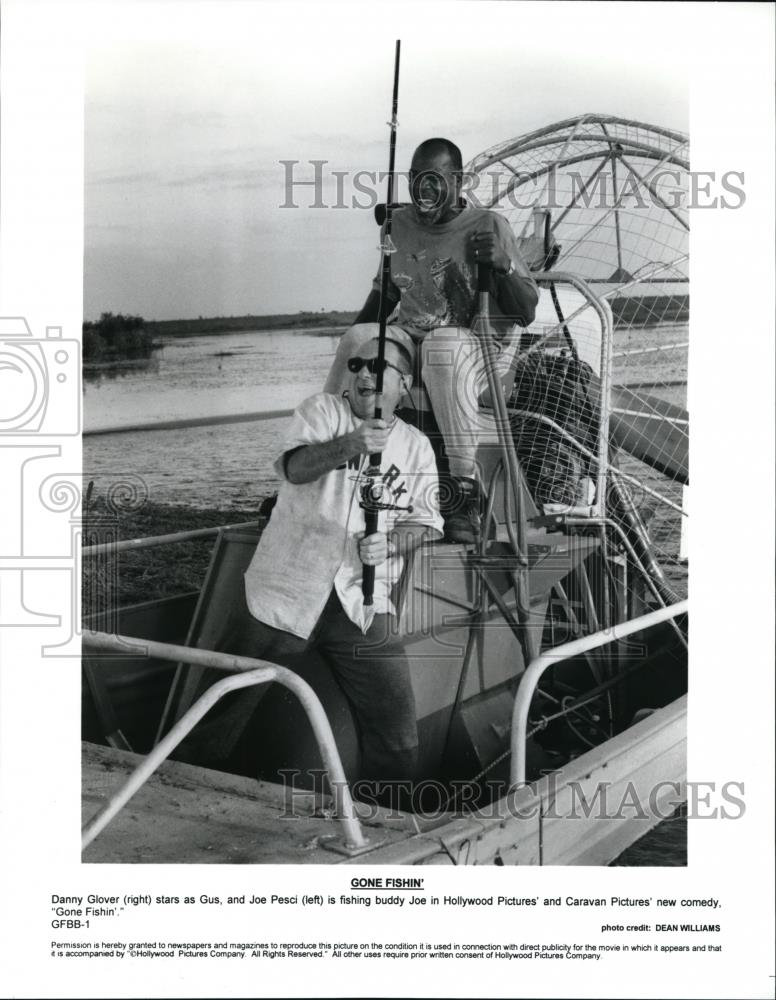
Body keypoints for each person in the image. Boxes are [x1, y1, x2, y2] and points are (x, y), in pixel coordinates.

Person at [178, 336, 443, 791]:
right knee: (218, 711)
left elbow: (428, 523)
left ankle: (386, 821)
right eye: (357, 364)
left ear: (406, 384)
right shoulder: (321, 412)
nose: (363, 374)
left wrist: (392, 543)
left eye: (379, 367)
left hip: (361, 601)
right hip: (284, 591)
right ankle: (182, 794)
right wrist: (353, 443)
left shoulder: (417, 447)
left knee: (398, 734)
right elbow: (296, 469)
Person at [324, 137, 539, 543]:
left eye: (435, 180)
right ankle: (325, 458)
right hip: (413, 341)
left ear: (457, 181)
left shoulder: (489, 225)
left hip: (478, 351)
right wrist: (355, 340)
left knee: (443, 347)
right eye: (417, 179)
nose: (425, 190)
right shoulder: (397, 226)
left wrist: (503, 265)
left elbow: (526, 310)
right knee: (357, 338)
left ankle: (463, 491)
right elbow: (384, 296)